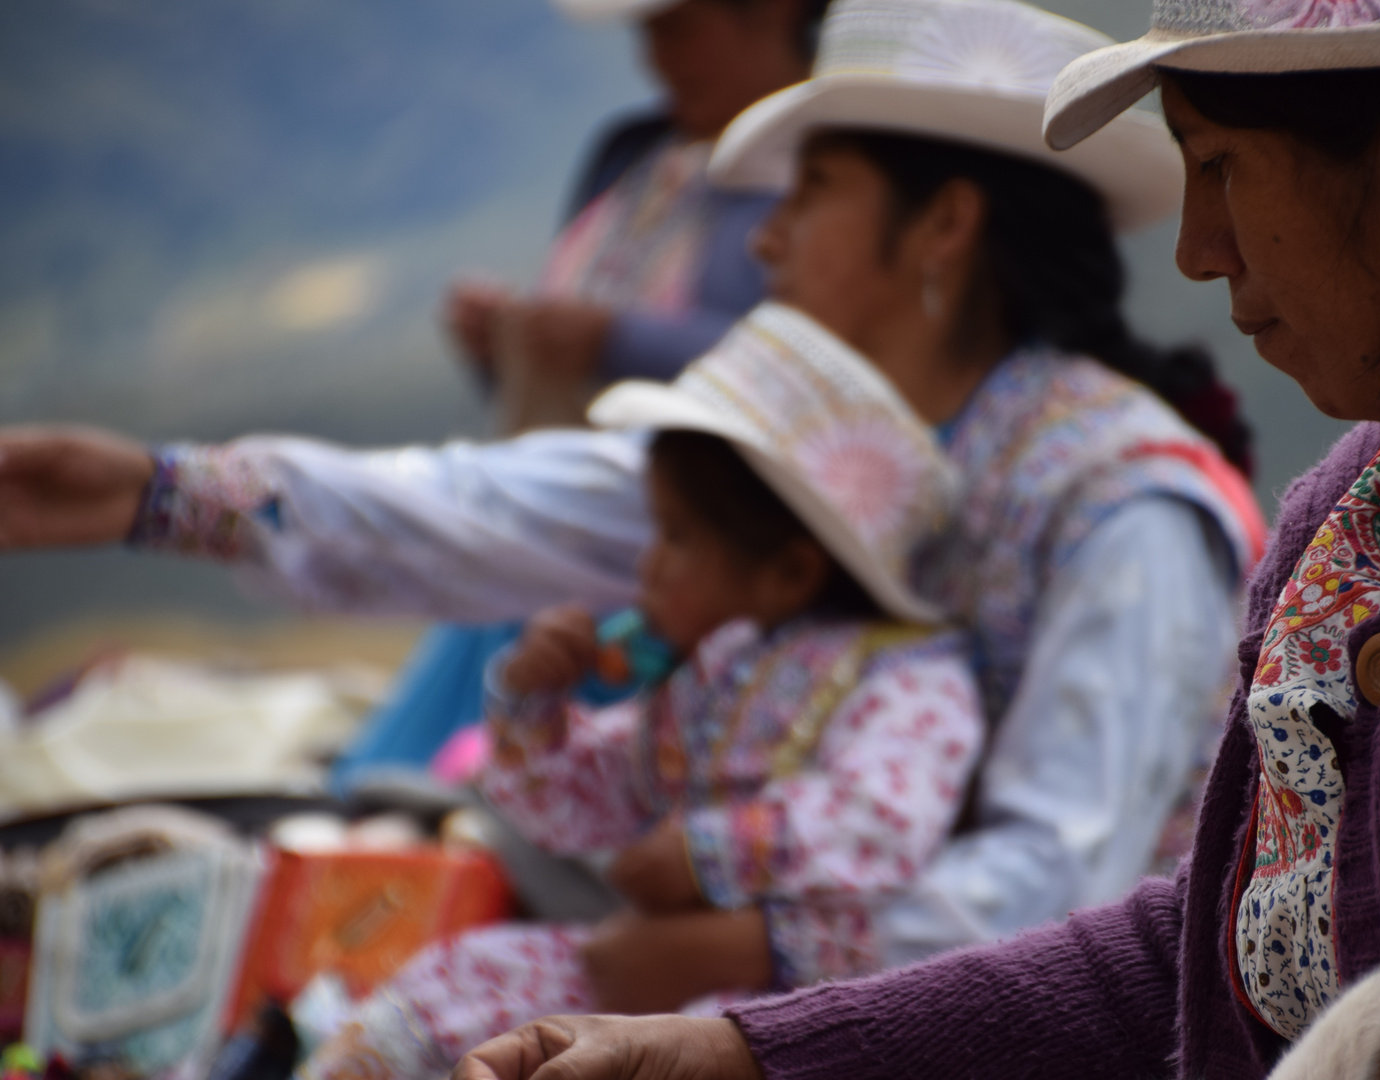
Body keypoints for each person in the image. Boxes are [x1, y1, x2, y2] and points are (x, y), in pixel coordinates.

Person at [444, 1, 1380, 1077]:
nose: (1198, 249)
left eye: (1221, 164)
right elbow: (1219, 932)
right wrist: (742, 1053)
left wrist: (750, 964)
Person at [0, 0, 1264, 981]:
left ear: (943, 227)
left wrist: (752, 956)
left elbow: (1063, 879)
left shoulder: (1123, 505)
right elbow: (499, 507)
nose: (765, 240)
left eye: (810, 192)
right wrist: (154, 494)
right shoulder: (819, 445)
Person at [299, 303, 982, 1080]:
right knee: (453, 980)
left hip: (804, 1006)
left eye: (679, 537)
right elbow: (605, 795)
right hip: (652, 971)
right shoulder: (714, 672)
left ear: (790, 569)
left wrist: (705, 852)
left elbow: (880, 821)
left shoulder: (910, 679)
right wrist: (532, 709)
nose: (650, 567)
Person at [343, 0, 829, 787]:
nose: (656, 57)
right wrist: (503, 348)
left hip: (686, 549)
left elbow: (805, 363)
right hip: (565, 513)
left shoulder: (823, 173)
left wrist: (617, 338)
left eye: (676, 27)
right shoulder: (632, 154)